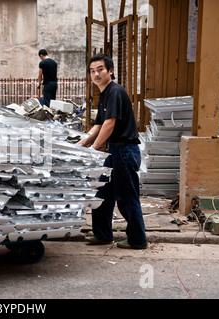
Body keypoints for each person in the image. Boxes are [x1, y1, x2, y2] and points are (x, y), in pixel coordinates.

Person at [77, 53, 148, 249]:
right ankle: (103, 234)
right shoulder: (104, 94)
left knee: (126, 197)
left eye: (100, 69)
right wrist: (81, 143)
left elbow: (109, 125)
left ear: (110, 70)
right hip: (113, 152)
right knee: (102, 193)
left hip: (124, 151)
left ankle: (138, 240)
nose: (96, 74)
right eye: (92, 71)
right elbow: (98, 124)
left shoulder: (115, 92)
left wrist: (92, 148)